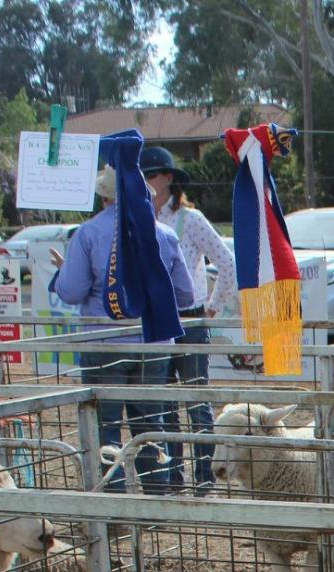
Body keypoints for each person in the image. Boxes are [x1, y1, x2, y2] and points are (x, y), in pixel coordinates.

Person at [52, 161, 196, 494]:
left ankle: (114, 502)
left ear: (104, 196)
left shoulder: (88, 234)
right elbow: (185, 294)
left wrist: (63, 272)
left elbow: (72, 291)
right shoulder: (164, 234)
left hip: (105, 341)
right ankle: (157, 497)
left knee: (105, 427)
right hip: (153, 343)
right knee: (150, 425)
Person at [142, 145, 236, 493]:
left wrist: (212, 307)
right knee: (165, 402)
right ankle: (174, 477)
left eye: (152, 175)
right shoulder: (140, 218)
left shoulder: (190, 219)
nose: (147, 182)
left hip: (190, 316)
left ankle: (205, 477)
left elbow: (227, 263)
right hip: (157, 317)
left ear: (168, 178)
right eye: (143, 176)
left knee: (197, 400)